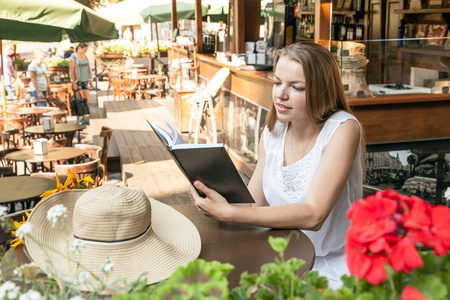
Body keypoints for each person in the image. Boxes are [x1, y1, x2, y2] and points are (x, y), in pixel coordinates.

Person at [190, 42, 364, 290]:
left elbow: (314, 214)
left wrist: (232, 213)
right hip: (281, 256)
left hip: (332, 267)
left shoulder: (343, 128)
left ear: (322, 91)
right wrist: (211, 194)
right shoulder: (273, 131)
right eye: (277, 82)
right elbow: (254, 204)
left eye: (297, 87)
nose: (281, 94)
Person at [69, 42, 93, 124]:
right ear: (79, 48)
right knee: (80, 100)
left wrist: (90, 80)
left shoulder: (85, 56)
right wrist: (74, 83)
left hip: (85, 80)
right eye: (84, 50)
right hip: (78, 81)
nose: (85, 51)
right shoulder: (73, 57)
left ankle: (85, 115)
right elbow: (72, 71)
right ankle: (81, 118)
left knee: (87, 100)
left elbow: (88, 69)